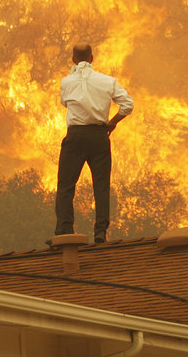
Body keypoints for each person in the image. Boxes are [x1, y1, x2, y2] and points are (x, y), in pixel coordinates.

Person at [54, 43, 133, 244]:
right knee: (101, 186)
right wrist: (112, 123)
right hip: (99, 136)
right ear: (92, 58)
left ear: (73, 59)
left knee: (65, 187)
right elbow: (127, 105)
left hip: (76, 136)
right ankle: (100, 233)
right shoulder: (108, 81)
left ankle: (64, 232)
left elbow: (65, 102)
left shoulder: (66, 82)